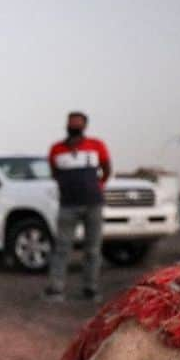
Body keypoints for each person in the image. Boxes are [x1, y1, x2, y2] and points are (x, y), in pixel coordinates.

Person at [44, 111, 111, 302]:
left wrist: (97, 186)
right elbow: (55, 173)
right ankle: (56, 288)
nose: (73, 124)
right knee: (62, 248)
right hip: (68, 205)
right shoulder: (56, 149)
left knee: (92, 249)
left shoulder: (97, 146)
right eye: (71, 121)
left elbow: (106, 169)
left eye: (77, 122)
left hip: (93, 204)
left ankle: (90, 288)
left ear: (84, 125)